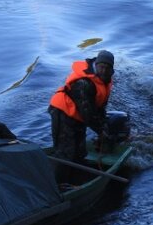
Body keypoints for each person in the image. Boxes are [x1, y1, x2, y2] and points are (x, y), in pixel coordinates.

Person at [48, 49, 114, 181]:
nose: (104, 71)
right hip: (63, 111)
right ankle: (57, 186)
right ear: (96, 65)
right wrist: (101, 132)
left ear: (112, 69)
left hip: (77, 114)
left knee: (80, 151)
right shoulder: (84, 83)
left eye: (107, 68)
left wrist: (105, 127)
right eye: (101, 67)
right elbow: (87, 113)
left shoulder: (105, 81)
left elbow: (100, 108)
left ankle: (74, 178)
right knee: (65, 152)